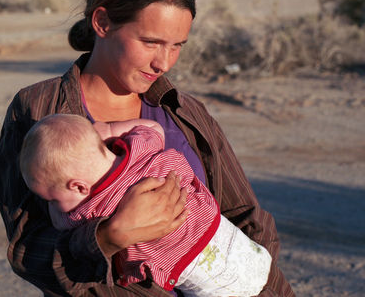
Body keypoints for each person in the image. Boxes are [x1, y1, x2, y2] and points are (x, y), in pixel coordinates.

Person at [0, 0, 295, 297]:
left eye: (177, 45)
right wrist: (109, 237)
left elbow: (244, 214)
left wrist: (267, 287)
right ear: (102, 22)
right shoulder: (38, 112)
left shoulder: (183, 111)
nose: (163, 62)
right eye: (150, 42)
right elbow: (28, 250)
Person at [19, 114, 272, 297]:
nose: (52, 205)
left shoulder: (91, 209)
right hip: (231, 240)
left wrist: (55, 209)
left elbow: (60, 223)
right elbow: (151, 127)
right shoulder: (140, 148)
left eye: (51, 198)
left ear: (78, 187)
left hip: (196, 274)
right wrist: (107, 128)